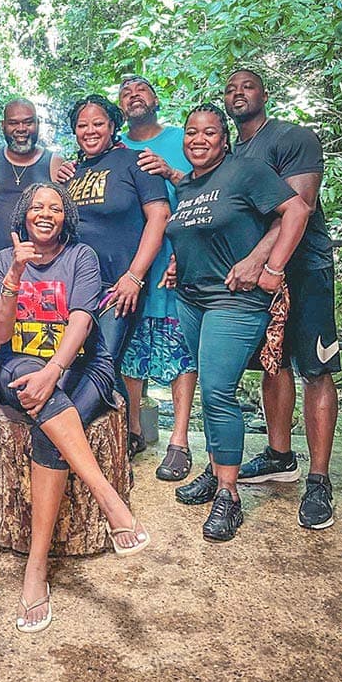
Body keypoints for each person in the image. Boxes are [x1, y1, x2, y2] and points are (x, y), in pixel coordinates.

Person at [0, 182, 150, 635]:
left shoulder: (82, 257)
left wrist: (54, 370)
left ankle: (34, 569)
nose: (45, 213)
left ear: (66, 218)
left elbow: (81, 320)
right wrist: (14, 277)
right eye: (37, 206)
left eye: (55, 208)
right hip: (18, 361)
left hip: (81, 365)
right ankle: (110, 502)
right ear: (24, 212)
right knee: (45, 405)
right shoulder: (4, 259)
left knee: (48, 428)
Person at [165, 104, 309, 541]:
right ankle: (215, 468)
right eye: (191, 132)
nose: (198, 139)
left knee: (217, 390)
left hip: (236, 301)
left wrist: (269, 265)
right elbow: (203, 231)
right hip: (192, 300)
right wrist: (178, 259)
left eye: (209, 133)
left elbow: (297, 210)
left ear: (224, 140)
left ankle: (229, 494)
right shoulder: (189, 184)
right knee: (211, 391)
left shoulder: (246, 171)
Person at [223, 69, 341, 530]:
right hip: (258, 281)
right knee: (273, 363)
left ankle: (319, 479)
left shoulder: (294, 138)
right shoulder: (234, 154)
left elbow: (299, 206)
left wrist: (263, 263)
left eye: (247, 86)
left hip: (304, 269)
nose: (238, 93)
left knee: (316, 368)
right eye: (230, 89)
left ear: (264, 95)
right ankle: (278, 455)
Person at [60, 95, 170, 460]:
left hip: (117, 286)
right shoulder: (71, 172)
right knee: (76, 358)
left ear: (112, 126)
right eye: (82, 125)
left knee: (104, 358)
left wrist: (135, 276)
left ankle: (69, 437)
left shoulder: (133, 162)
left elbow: (159, 216)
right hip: (75, 286)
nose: (89, 131)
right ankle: (126, 435)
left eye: (98, 123)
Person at [117, 75, 198, 481]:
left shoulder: (183, 139)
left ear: (156, 98)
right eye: (126, 92)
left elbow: (209, 189)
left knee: (181, 350)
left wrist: (169, 172)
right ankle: (134, 430)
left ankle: (179, 441)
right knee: (132, 351)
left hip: (175, 266)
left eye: (141, 90)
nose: (134, 96)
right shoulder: (114, 147)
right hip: (130, 270)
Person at [0, 98, 62, 313]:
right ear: (3, 125)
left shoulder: (55, 163)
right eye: (13, 123)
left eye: (28, 122)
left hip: (39, 274)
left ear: (38, 124)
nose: (21, 129)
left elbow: (63, 219)